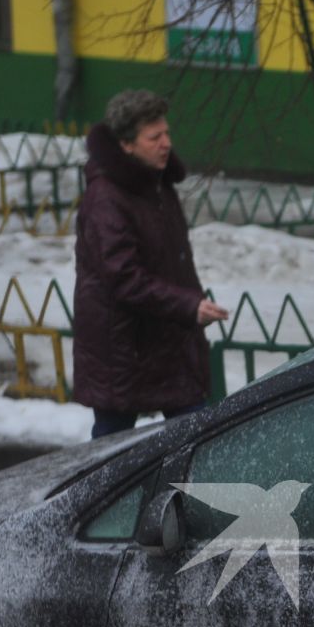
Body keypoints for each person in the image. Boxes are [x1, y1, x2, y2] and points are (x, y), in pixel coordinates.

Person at [73, 90, 229, 439]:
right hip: (123, 349)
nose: (166, 144)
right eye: (154, 137)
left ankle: (186, 494)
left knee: (194, 438)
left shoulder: (156, 184)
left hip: (165, 340)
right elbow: (124, 277)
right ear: (126, 145)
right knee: (110, 453)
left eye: (167, 134)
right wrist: (188, 306)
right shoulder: (107, 199)